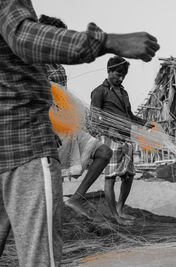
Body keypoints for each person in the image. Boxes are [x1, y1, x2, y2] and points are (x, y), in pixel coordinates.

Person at [0, 1, 160, 266]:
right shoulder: (99, 90)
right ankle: (98, 205)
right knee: (40, 257)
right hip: (24, 145)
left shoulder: (117, 91)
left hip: (21, 142)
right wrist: (105, 41)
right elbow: (24, 36)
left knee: (118, 167)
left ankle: (92, 203)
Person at [39, 14, 113, 220]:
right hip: (43, 128)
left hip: (65, 128)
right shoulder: (33, 64)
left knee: (104, 153)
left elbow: (63, 100)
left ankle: (76, 199)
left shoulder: (59, 67)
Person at [91, 56, 144, 225]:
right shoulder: (99, 91)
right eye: (118, 74)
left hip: (126, 139)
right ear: (109, 71)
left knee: (129, 176)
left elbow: (129, 116)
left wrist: (144, 123)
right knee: (111, 178)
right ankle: (114, 215)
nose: (121, 78)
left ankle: (120, 209)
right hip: (110, 140)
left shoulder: (124, 92)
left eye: (123, 75)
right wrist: (107, 130)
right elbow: (93, 118)